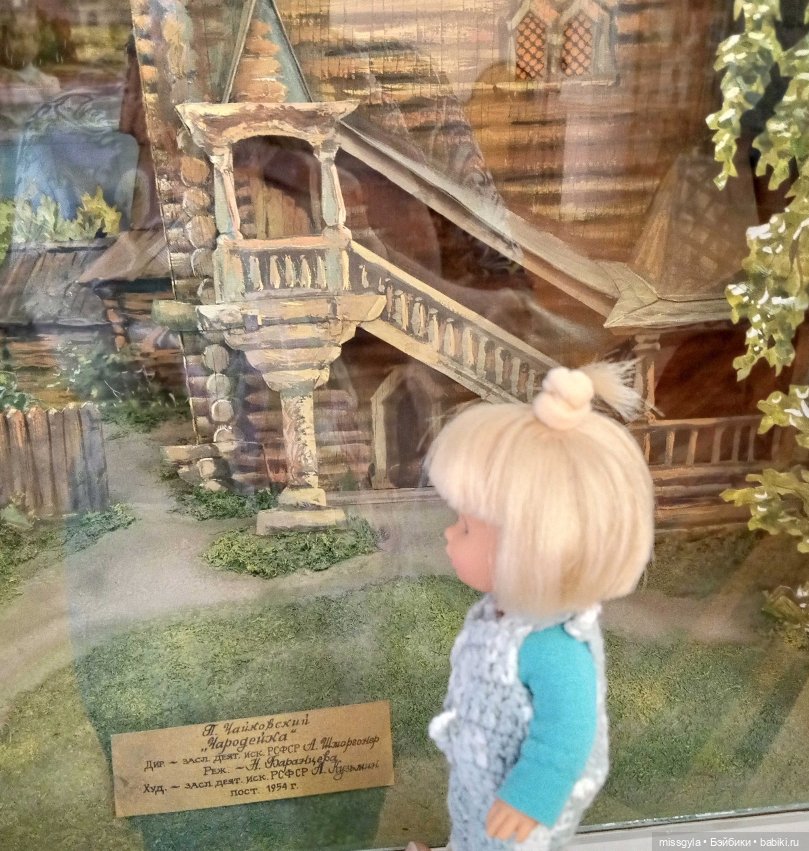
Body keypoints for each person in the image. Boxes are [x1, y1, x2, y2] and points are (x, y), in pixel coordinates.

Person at [407, 362, 655, 851]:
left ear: (528, 551)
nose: (449, 534)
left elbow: (568, 733)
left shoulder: (552, 648)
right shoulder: (501, 617)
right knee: (471, 821)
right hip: (482, 774)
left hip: (513, 799)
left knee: (501, 842)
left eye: (467, 526)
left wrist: (532, 797)